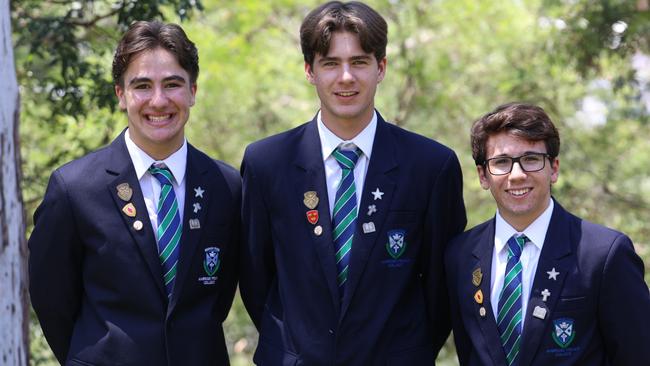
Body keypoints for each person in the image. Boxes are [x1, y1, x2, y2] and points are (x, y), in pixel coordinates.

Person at [239, 1, 467, 365]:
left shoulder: (431, 166)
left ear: (381, 68)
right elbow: (255, 278)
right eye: (330, 63)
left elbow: (441, 289)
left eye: (359, 62)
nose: (346, 77)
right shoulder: (266, 163)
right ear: (309, 71)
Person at [28, 21, 240, 366]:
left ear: (193, 91)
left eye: (172, 84)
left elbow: (218, 296)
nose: (158, 101)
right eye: (142, 86)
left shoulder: (226, 186)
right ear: (120, 95)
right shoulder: (74, 188)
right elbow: (52, 302)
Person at [445, 102, 650, 365]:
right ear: (483, 176)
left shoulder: (605, 254)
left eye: (531, 159)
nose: (517, 175)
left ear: (553, 168)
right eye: (502, 162)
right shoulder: (460, 256)